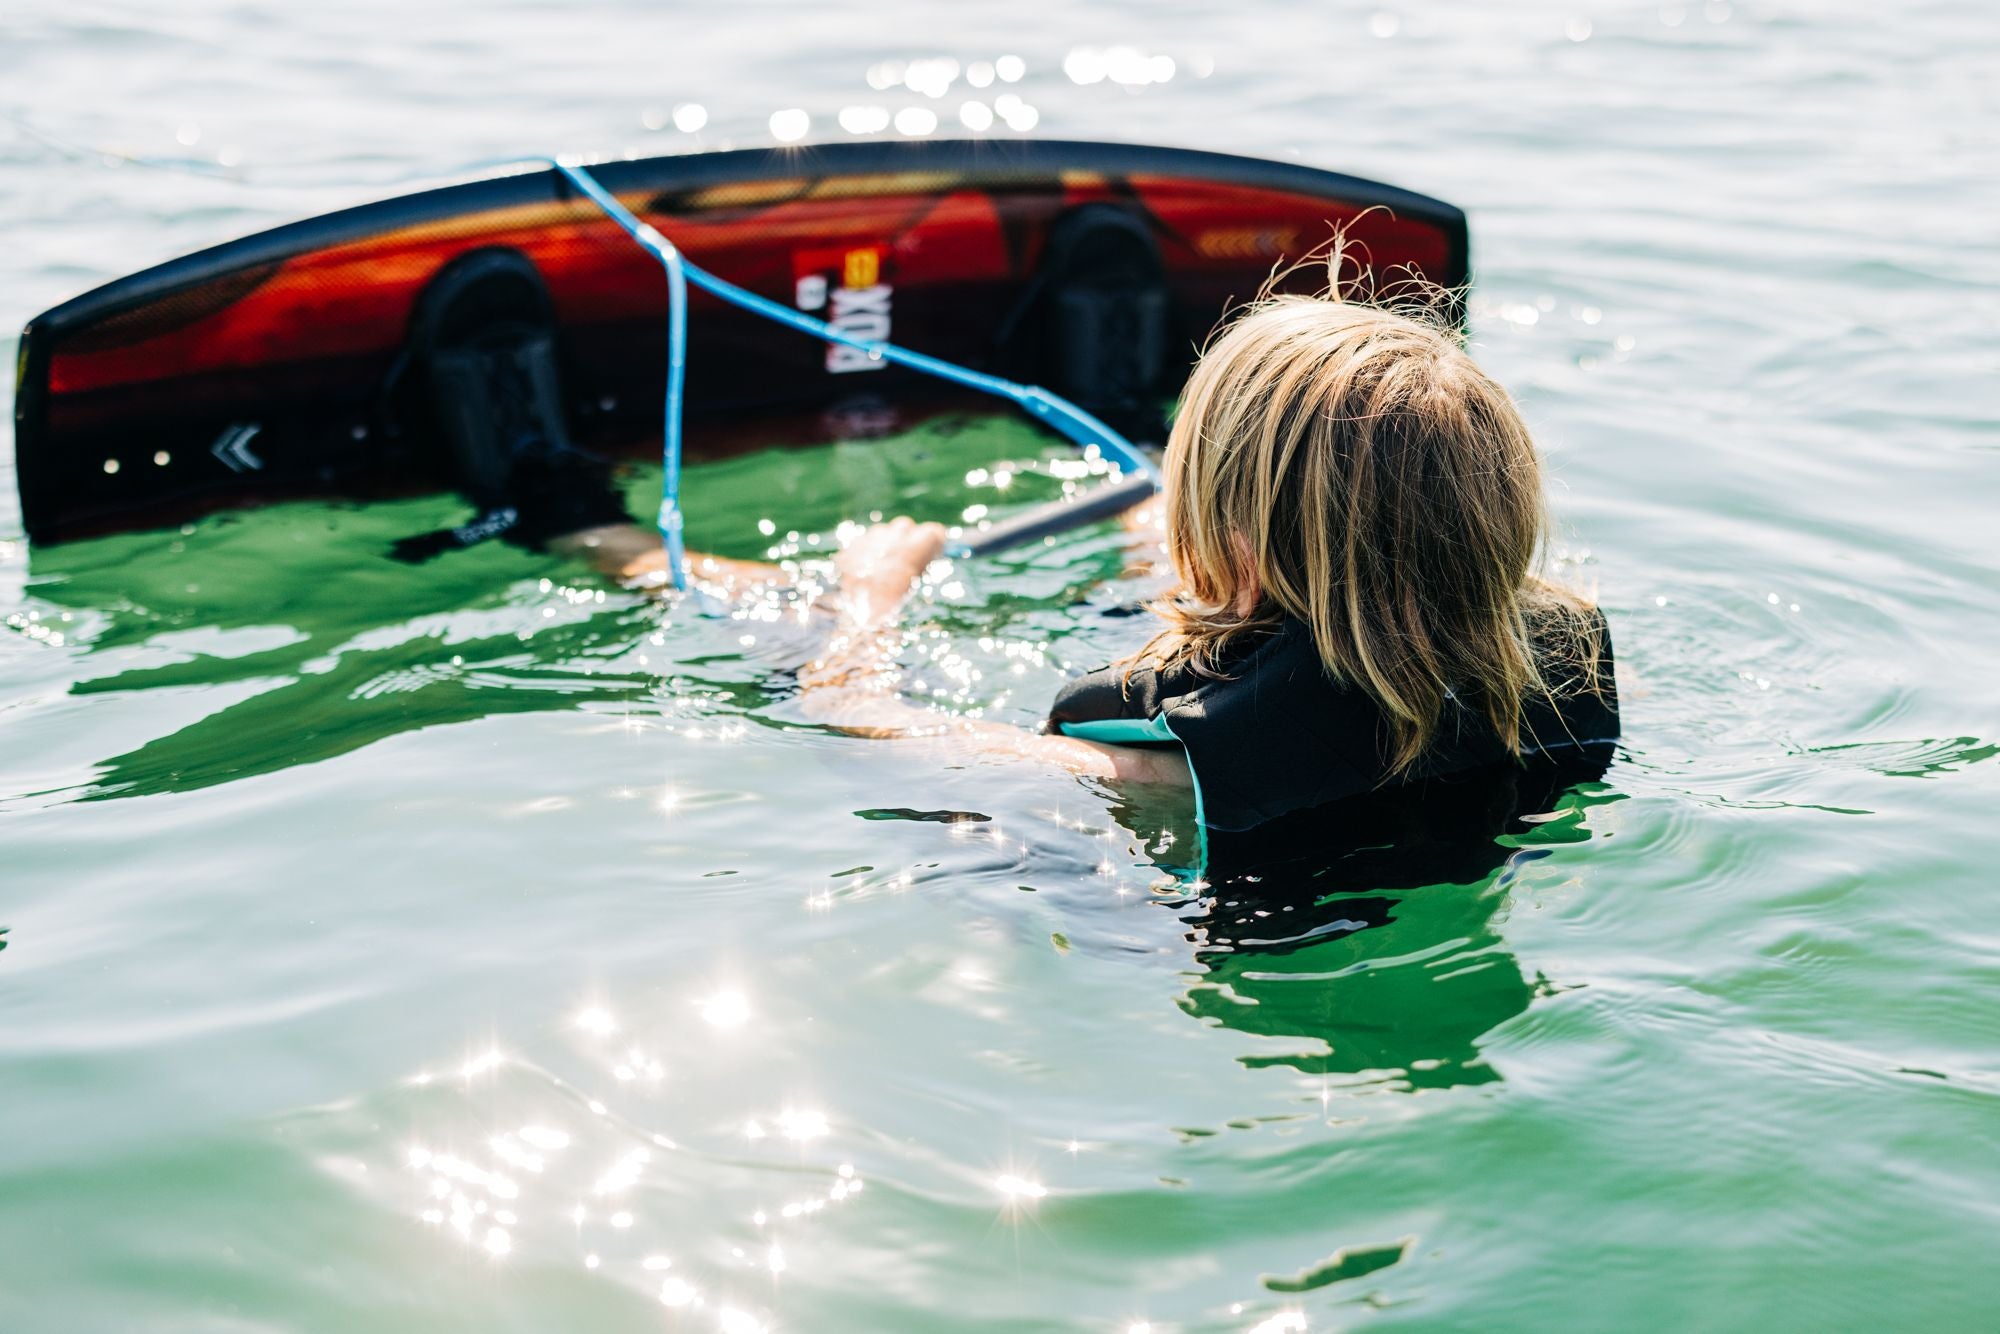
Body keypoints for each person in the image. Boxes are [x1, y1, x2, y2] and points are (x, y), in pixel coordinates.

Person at [549, 288, 1620, 838]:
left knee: (803, 625)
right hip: (1297, 671)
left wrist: (874, 595)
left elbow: (860, 722)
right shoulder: (1545, 665)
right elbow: (1301, 577)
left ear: (1232, 553)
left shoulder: (1150, 776)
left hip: (1076, 910)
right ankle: (1120, 436)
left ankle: (571, 520)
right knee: (1221, 581)